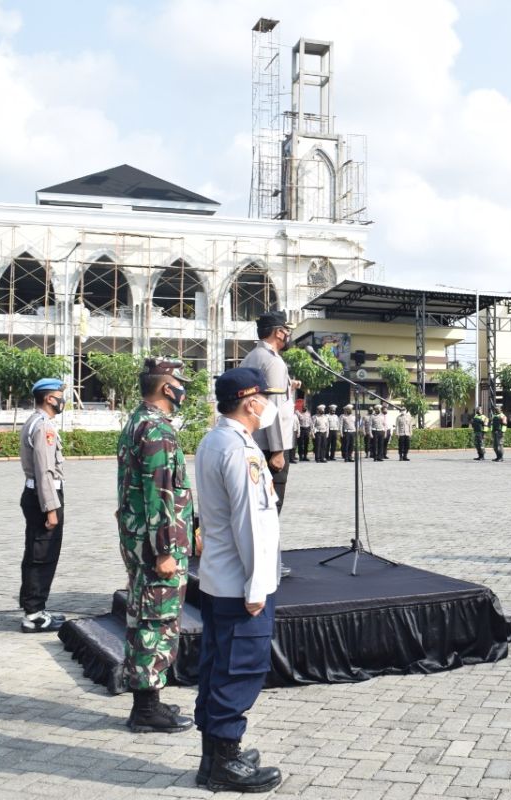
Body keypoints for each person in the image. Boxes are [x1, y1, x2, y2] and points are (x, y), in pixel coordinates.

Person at [192, 367, 284, 793]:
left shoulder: (215, 440)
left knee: (216, 666)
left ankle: (215, 756)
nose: (267, 405)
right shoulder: (241, 451)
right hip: (239, 583)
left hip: (218, 578)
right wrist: (257, 587)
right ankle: (224, 762)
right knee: (238, 669)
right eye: (264, 398)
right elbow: (250, 522)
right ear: (250, 402)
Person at [116, 358, 196, 733]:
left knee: (143, 615)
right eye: (180, 383)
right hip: (156, 545)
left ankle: (148, 698)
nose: (184, 389)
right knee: (156, 621)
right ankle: (146, 709)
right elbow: (160, 494)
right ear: (167, 387)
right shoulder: (157, 430)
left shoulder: (137, 420)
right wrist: (165, 549)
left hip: (138, 539)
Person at [18, 377, 67, 633]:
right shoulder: (43, 426)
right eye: (61, 394)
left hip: (36, 494)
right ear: (50, 398)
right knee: (42, 556)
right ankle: (34, 615)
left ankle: (35, 609)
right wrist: (51, 508)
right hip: (43, 497)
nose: (63, 399)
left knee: (37, 553)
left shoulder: (35, 421)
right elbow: (44, 470)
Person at [240, 312, 297, 512]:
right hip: (270, 446)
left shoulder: (252, 356)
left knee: (256, 503)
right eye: (287, 330)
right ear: (279, 333)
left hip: (254, 440)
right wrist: (278, 451)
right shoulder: (273, 361)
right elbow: (273, 407)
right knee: (271, 504)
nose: (288, 335)